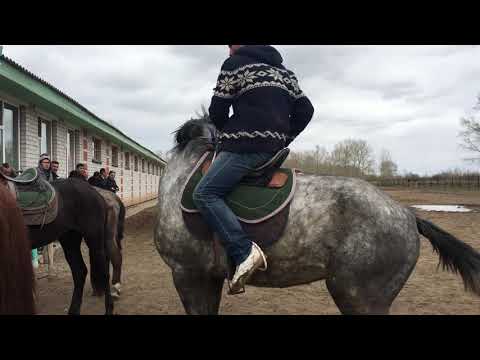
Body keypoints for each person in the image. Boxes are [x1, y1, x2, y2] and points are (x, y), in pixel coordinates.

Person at [193, 45, 314, 294]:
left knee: (204, 194)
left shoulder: (234, 65)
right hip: (274, 149)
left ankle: (243, 251)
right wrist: (283, 137)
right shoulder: (285, 73)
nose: (228, 49)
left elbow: (217, 111)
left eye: (230, 45)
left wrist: (232, 135)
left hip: (244, 148)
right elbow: (306, 110)